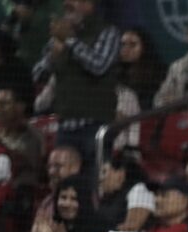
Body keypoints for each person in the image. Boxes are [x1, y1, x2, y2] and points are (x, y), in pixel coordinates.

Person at [30, 0, 120, 174]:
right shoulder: (60, 36)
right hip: (65, 127)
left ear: (89, 4)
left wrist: (70, 41)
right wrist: (51, 58)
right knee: (63, 183)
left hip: (95, 127)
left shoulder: (108, 32)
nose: (66, 4)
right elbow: (37, 75)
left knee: (95, 183)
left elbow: (99, 65)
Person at [115, 27, 165, 110]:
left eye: (132, 45)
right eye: (123, 44)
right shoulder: (114, 73)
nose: (126, 49)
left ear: (144, 47)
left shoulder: (158, 72)